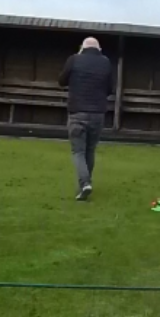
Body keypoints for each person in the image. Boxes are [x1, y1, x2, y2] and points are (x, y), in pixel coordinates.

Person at [58, 37, 114, 202]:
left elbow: (61, 81)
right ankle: (86, 183)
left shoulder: (74, 59)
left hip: (77, 112)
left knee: (78, 151)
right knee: (90, 150)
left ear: (82, 47)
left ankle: (84, 183)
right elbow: (109, 89)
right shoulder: (106, 62)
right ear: (99, 49)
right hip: (97, 113)